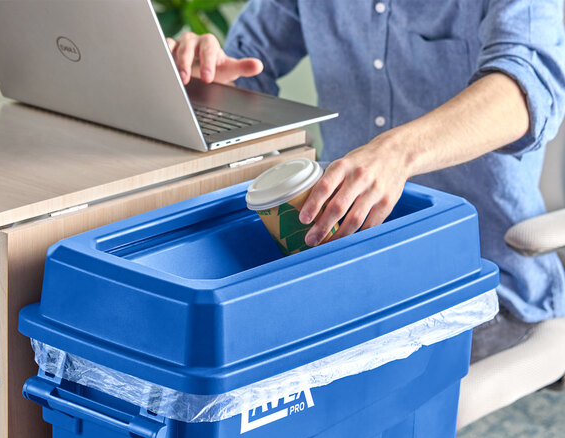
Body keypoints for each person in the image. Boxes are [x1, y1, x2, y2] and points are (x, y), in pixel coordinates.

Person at [167, 0, 565, 359]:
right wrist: (204, 78)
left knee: (314, 381)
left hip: (474, 276)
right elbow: (244, 73)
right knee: (210, 340)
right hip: (341, 267)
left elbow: (524, 90)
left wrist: (397, 153)